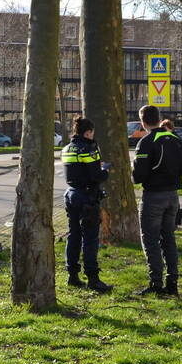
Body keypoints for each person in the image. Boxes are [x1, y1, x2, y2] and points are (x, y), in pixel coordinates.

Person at [133, 107, 182, 296]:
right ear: (159, 118)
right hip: (173, 196)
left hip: (153, 196)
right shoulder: (176, 140)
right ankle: (172, 283)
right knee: (169, 239)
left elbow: (138, 176)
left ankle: (156, 283)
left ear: (143, 121)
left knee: (150, 240)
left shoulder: (146, 142)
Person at [61, 116, 112, 292]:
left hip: (70, 195)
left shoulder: (67, 148)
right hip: (87, 198)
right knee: (90, 239)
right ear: (88, 132)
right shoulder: (89, 148)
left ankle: (72, 275)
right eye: (92, 133)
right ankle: (93, 279)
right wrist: (105, 170)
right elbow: (96, 176)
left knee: (73, 235)